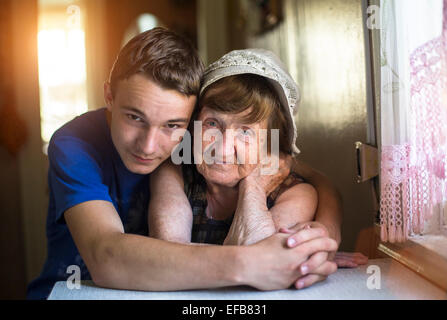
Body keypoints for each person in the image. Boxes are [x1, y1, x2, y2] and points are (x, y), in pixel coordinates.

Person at [27, 27, 346, 300]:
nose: (149, 146)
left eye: (172, 125)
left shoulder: (192, 149)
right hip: (74, 290)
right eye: (134, 117)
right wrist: (252, 263)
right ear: (109, 96)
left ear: (189, 120)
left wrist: (326, 236)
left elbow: (301, 171)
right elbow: (107, 256)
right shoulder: (76, 144)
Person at [148, 49, 368, 288]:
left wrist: (253, 184)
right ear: (194, 126)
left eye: (245, 132)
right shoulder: (174, 172)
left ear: (270, 144)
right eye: (212, 124)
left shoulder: (296, 193)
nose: (222, 150)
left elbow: (257, 269)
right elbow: (169, 256)